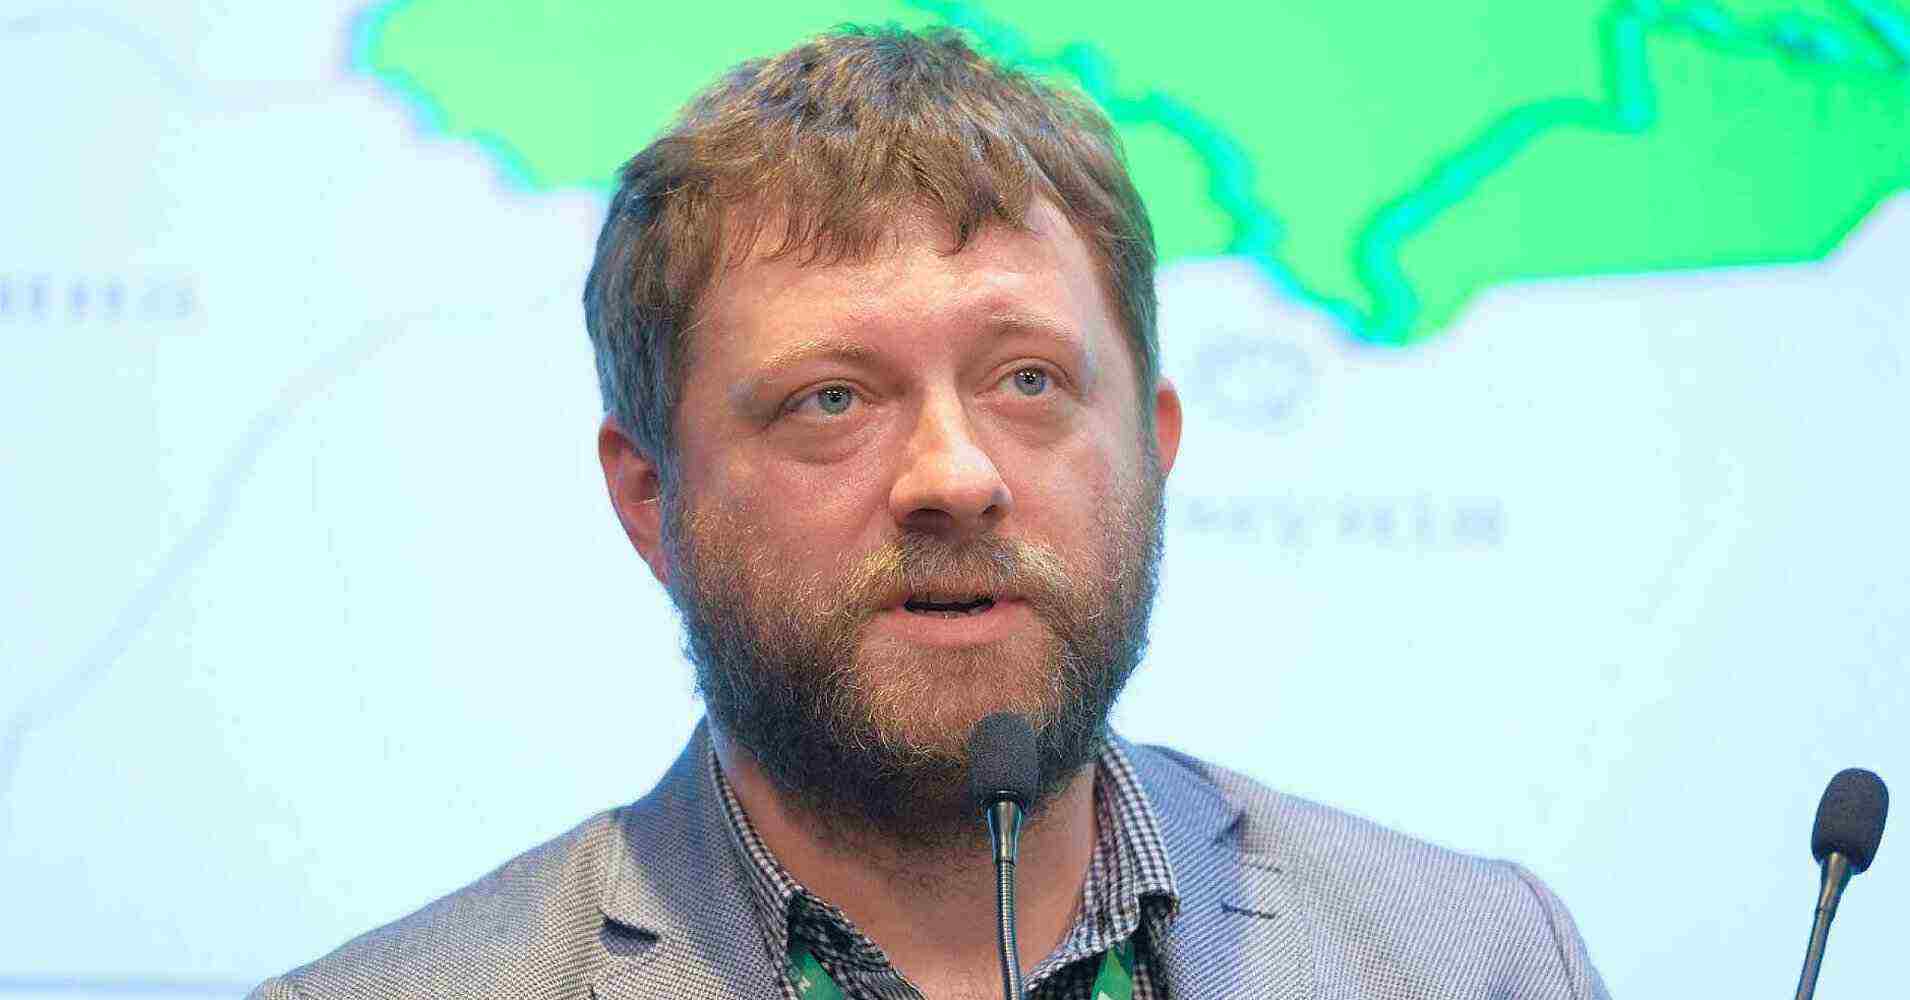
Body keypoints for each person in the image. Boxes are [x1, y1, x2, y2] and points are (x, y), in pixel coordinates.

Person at [252, 26, 1608, 1000]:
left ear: (1153, 446)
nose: (956, 476)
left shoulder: (1473, 960)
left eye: (1028, 380)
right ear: (650, 497)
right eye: (832, 399)